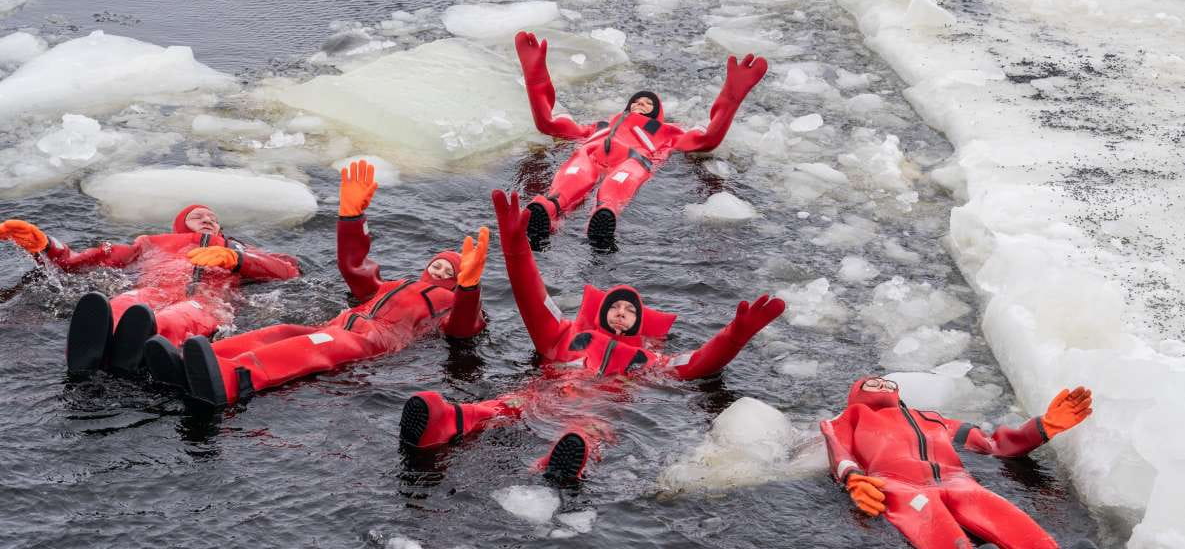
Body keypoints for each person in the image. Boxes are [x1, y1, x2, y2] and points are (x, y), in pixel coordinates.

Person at [398, 189, 785, 480]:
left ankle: (565, 460)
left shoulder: (651, 361)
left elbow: (699, 363)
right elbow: (534, 298)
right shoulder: (563, 336)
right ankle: (445, 420)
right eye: (614, 306)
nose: (621, 312)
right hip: (544, 394)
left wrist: (736, 334)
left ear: (640, 323)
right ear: (600, 312)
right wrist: (516, 246)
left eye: (629, 310)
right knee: (504, 405)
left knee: (586, 434)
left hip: (598, 410)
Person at [169, 160, 490, 408]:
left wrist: (469, 288)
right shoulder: (394, 285)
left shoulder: (450, 303)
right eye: (440, 260)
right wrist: (351, 219)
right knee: (276, 333)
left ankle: (234, 378)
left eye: (451, 269)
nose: (442, 266)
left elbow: (464, 327)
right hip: (342, 324)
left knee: (305, 348)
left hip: (374, 342)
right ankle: (195, 358)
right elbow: (355, 269)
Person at [513, 30, 768, 248]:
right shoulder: (601, 126)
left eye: (647, 103)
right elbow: (548, 124)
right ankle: (546, 211)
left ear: (657, 112)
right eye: (636, 101)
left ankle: (603, 218)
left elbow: (708, 140)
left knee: (614, 189)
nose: (640, 104)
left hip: (634, 160)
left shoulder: (669, 133)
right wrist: (535, 75)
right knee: (566, 185)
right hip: (589, 155)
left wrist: (732, 95)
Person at [0, 205, 300, 375]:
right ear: (180, 225)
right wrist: (46, 246)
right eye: (198, 216)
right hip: (152, 291)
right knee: (122, 302)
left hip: (203, 301)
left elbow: (288, 269)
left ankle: (139, 346)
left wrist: (238, 260)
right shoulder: (149, 243)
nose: (208, 219)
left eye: (213, 218)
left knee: (180, 316)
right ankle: (88, 351)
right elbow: (84, 259)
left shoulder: (234, 248)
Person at [821, 376, 1094, 549]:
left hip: (959, 481)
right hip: (898, 485)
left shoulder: (934, 419)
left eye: (887, 383)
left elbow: (993, 445)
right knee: (930, 522)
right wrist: (852, 477)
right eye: (871, 383)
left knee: (1000, 513)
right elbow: (838, 447)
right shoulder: (849, 418)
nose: (881, 385)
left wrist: (1043, 427)